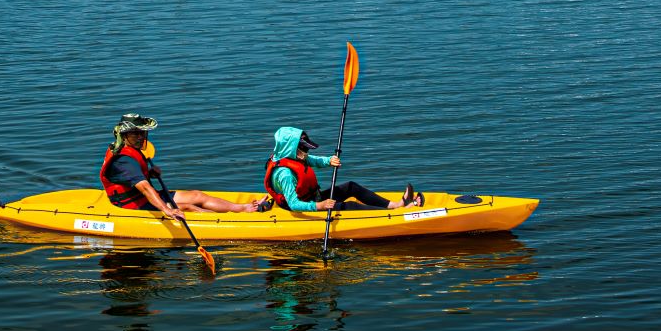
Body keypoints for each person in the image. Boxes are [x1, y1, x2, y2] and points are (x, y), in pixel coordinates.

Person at [100, 114, 269, 218]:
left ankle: (244, 208)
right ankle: (234, 222)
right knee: (188, 207)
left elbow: (132, 179)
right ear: (124, 135)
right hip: (133, 206)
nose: (141, 136)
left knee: (197, 195)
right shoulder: (123, 160)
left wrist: (149, 173)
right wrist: (167, 210)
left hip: (143, 197)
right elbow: (144, 188)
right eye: (135, 133)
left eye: (142, 132)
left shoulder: (129, 148)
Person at [264, 127, 423, 212]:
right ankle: (393, 215)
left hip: (313, 197)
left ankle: (395, 206)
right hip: (305, 206)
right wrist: (320, 206)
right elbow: (294, 204)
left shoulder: (293, 157)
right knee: (348, 206)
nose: (307, 152)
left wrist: (329, 161)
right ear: (291, 149)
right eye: (304, 149)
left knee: (351, 187)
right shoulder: (285, 174)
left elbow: (313, 161)